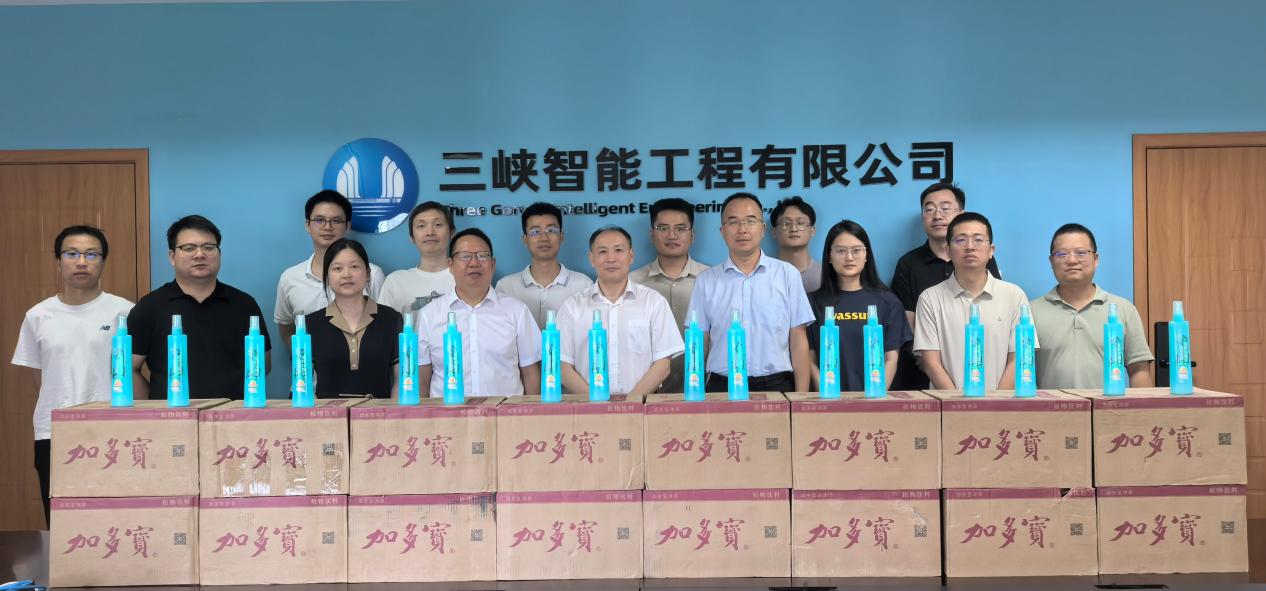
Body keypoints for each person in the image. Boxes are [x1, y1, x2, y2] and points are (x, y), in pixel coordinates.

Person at [11, 225, 134, 526]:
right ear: (58, 261)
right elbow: (40, 378)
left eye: (91, 254)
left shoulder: (125, 312)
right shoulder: (38, 315)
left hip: (113, 429)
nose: (81, 262)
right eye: (71, 254)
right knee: (62, 521)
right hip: (54, 432)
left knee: (114, 520)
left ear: (103, 261)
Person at [128, 215, 272, 399]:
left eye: (208, 247)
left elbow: (263, 365)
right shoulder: (149, 307)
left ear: (219, 253)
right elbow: (129, 369)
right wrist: (153, 408)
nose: (199, 254)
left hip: (233, 413)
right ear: (172, 257)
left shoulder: (244, 304)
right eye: (189, 248)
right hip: (172, 414)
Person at [686, 192, 814, 393]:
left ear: (763, 229)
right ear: (722, 231)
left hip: (777, 386)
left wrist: (800, 397)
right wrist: (695, 395)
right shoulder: (706, 281)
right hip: (721, 387)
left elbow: (798, 341)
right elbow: (698, 345)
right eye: (733, 222)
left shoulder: (787, 275)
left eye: (750, 221)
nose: (742, 229)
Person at [557, 226, 684, 397]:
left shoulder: (653, 302)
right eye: (603, 252)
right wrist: (596, 403)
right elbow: (562, 367)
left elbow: (663, 365)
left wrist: (631, 403)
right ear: (591, 258)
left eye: (618, 250)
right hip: (587, 406)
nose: (611, 258)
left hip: (640, 406)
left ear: (631, 256)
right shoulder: (572, 307)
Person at [913, 212, 1032, 391]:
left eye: (978, 240)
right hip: (948, 403)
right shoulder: (930, 298)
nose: (970, 247)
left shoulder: (1014, 295)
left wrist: (996, 401)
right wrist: (958, 403)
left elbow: (1019, 358)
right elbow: (931, 363)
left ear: (991, 250)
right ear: (948, 250)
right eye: (961, 240)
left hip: (1002, 403)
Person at [418, 229, 541, 397]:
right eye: (465, 256)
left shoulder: (517, 311)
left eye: (482, 256)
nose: (474, 263)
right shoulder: (429, 315)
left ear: (493, 264)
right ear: (450, 265)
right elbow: (422, 380)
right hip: (447, 412)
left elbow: (531, 374)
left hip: (505, 412)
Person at [1031, 223, 1154, 389]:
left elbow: (1139, 371)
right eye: (1061, 254)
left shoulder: (1123, 309)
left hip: (1110, 406)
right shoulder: (1032, 312)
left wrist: (1142, 406)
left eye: (1081, 253)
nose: (1072, 260)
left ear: (1096, 259)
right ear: (1051, 261)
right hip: (1052, 406)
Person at [806, 220, 911, 391]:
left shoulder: (889, 303)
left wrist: (873, 398)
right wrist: (828, 396)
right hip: (827, 399)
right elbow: (809, 361)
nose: (849, 257)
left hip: (875, 399)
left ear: (866, 255)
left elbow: (890, 359)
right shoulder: (813, 303)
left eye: (856, 250)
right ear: (829, 256)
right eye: (840, 251)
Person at [275, 190, 386, 342]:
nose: (327, 227)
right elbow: (287, 328)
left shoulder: (372, 273)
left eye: (336, 221)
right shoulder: (290, 278)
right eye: (319, 220)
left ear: (348, 226)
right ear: (307, 225)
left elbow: (384, 325)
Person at [304, 239, 402, 398]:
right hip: (326, 412)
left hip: (380, 412)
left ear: (368, 274)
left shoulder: (391, 319)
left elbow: (401, 380)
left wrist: (391, 412)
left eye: (354, 267)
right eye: (337, 268)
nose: (346, 275)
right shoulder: (311, 324)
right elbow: (303, 385)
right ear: (327, 277)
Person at [630, 197, 709, 392]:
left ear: (692, 234)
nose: (672, 235)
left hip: (703, 388)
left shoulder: (711, 280)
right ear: (651, 234)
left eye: (681, 229)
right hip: (645, 390)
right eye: (663, 228)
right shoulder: (632, 282)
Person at [495, 202, 593, 328]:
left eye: (551, 230)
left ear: (561, 236)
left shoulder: (583, 285)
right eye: (535, 231)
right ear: (525, 239)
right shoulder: (506, 287)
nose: (544, 238)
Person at [378, 201, 457, 315]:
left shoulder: (467, 277)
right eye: (421, 226)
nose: (430, 232)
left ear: (452, 233)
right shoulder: (395, 282)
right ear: (411, 237)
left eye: (438, 225)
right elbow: (383, 325)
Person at [770, 196, 821, 293]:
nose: (793, 229)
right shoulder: (764, 276)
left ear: (812, 230)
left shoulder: (825, 275)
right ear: (774, 232)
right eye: (786, 223)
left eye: (800, 223)